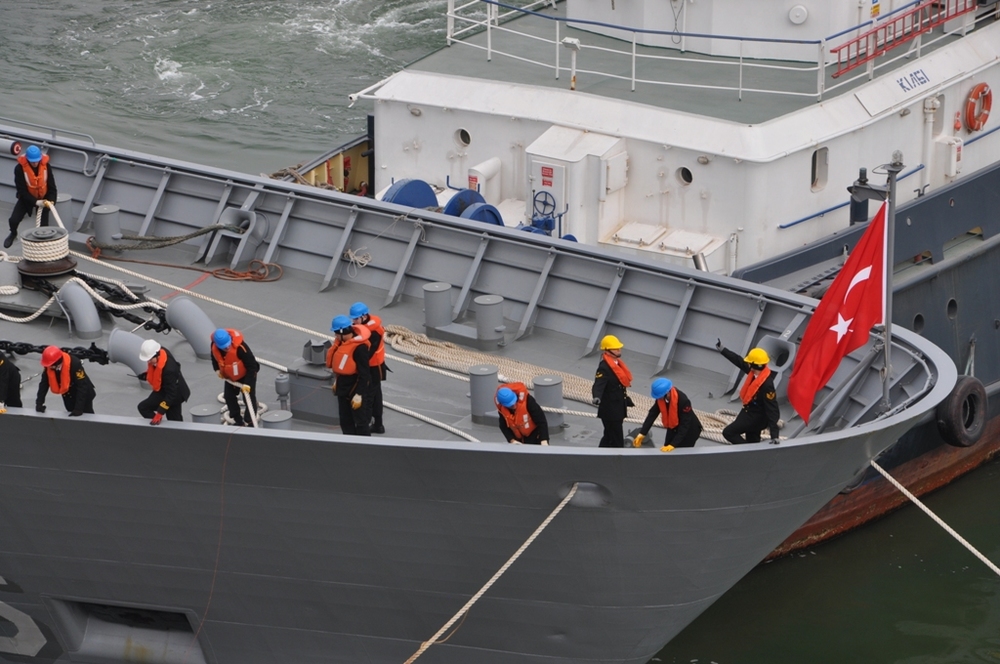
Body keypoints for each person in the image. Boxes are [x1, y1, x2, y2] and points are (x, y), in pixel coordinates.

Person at [716, 339, 781, 445]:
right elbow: (739, 361)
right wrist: (723, 350)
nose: (748, 365)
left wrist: (774, 435)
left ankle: (746, 449)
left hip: (755, 418)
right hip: (750, 412)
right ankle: (751, 452)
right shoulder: (755, 372)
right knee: (753, 441)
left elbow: (772, 408)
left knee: (728, 432)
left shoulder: (767, 385)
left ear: (753, 365)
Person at [326, 315, 372, 436]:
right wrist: (337, 381)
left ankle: (365, 443)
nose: (335, 335)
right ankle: (348, 442)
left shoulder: (360, 348)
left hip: (355, 388)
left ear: (342, 332)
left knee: (360, 421)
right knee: (345, 419)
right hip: (343, 387)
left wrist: (359, 394)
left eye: (336, 333)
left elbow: (365, 374)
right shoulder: (342, 343)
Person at [6, 145, 57, 249]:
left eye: (37, 161)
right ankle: (13, 233)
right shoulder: (19, 169)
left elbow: (52, 187)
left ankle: (42, 245)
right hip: (26, 198)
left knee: (43, 227)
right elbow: (21, 190)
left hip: (44, 198)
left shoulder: (46, 167)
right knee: (13, 220)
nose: (35, 163)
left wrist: (51, 201)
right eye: (32, 161)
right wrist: (35, 202)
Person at [633, 377, 703, 452]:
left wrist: (673, 444)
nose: (660, 399)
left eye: (661, 397)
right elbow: (652, 414)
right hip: (673, 427)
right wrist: (642, 433)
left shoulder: (683, 401)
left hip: (689, 430)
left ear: (668, 393)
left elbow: (685, 425)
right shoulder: (661, 398)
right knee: (666, 447)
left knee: (680, 452)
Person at [350, 301, 388, 434]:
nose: (354, 322)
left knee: (368, 396)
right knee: (376, 395)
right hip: (372, 366)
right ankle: (378, 424)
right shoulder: (363, 327)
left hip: (374, 368)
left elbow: (367, 354)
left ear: (364, 317)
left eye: (356, 319)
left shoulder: (374, 333)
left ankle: (364, 426)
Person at [591, 334, 634, 448]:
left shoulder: (617, 364)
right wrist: (596, 396)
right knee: (616, 437)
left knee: (609, 435)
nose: (618, 350)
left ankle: (600, 452)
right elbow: (599, 384)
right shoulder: (604, 367)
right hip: (610, 410)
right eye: (615, 348)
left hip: (618, 407)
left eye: (618, 347)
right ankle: (619, 454)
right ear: (607, 351)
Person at [210, 328, 260, 426]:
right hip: (231, 377)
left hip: (247, 375)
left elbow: (252, 366)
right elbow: (214, 357)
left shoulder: (241, 348)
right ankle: (238, 420)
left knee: (249, 399)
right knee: (229, 397)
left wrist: (248, 383)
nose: (227, 348)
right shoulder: (214, 346)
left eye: (228, 345)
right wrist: (217, 369)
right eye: (224, 347)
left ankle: (250, 421)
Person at [136, 339, 191, 424]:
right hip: (171, 387)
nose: (148, 362)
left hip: (174, 393)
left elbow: (171, 393)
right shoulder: (161, 351)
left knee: (143, 407)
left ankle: (159, 425)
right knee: (175, 420)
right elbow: (158, 370)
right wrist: (147, 375)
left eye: (150, 359)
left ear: (157, 355)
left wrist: (160, 412)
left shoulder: (169, 370)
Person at [35, 346, 95, 416]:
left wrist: (78, 408)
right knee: (70, 414)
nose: (49, 367)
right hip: (68, 395)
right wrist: (39, 403)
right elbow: (44, 384)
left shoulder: (75, 364)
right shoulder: (49, 366)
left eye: (51, 365)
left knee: (87, 415)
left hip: (83, 395)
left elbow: (82, 386)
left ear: (57, 362)